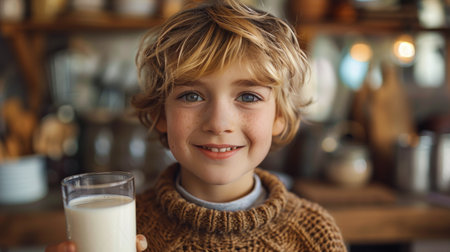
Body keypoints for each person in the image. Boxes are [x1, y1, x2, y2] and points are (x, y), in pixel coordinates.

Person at [47, 0, 346, 251]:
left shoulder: (315, 235)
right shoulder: (121, 231)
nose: (218, 122)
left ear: (279, 116)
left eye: (248, 96)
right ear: (160, 114)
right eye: (191, 95)